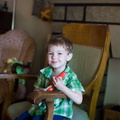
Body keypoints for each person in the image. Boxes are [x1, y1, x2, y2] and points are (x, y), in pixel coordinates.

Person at [16, 35, 85, 120]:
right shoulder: (44, 72)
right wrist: (38, 91)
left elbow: (79, 99)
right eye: (50, 53)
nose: (54, 57)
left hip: (58, 112)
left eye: (59, 53)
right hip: (39, 109)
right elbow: (36, 89)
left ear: (68, 56)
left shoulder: (70, 76)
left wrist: (62, 87)